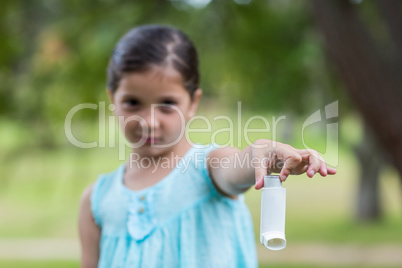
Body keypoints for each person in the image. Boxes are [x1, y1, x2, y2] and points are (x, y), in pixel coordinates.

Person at [78, 24, 336, 268]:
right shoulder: (96, 200)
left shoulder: (208, 167)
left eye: (167, 104)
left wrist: (262, 154)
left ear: (192, 103)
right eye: (133, 102)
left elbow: (235, 168)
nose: (149, 121)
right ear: (113, 99)